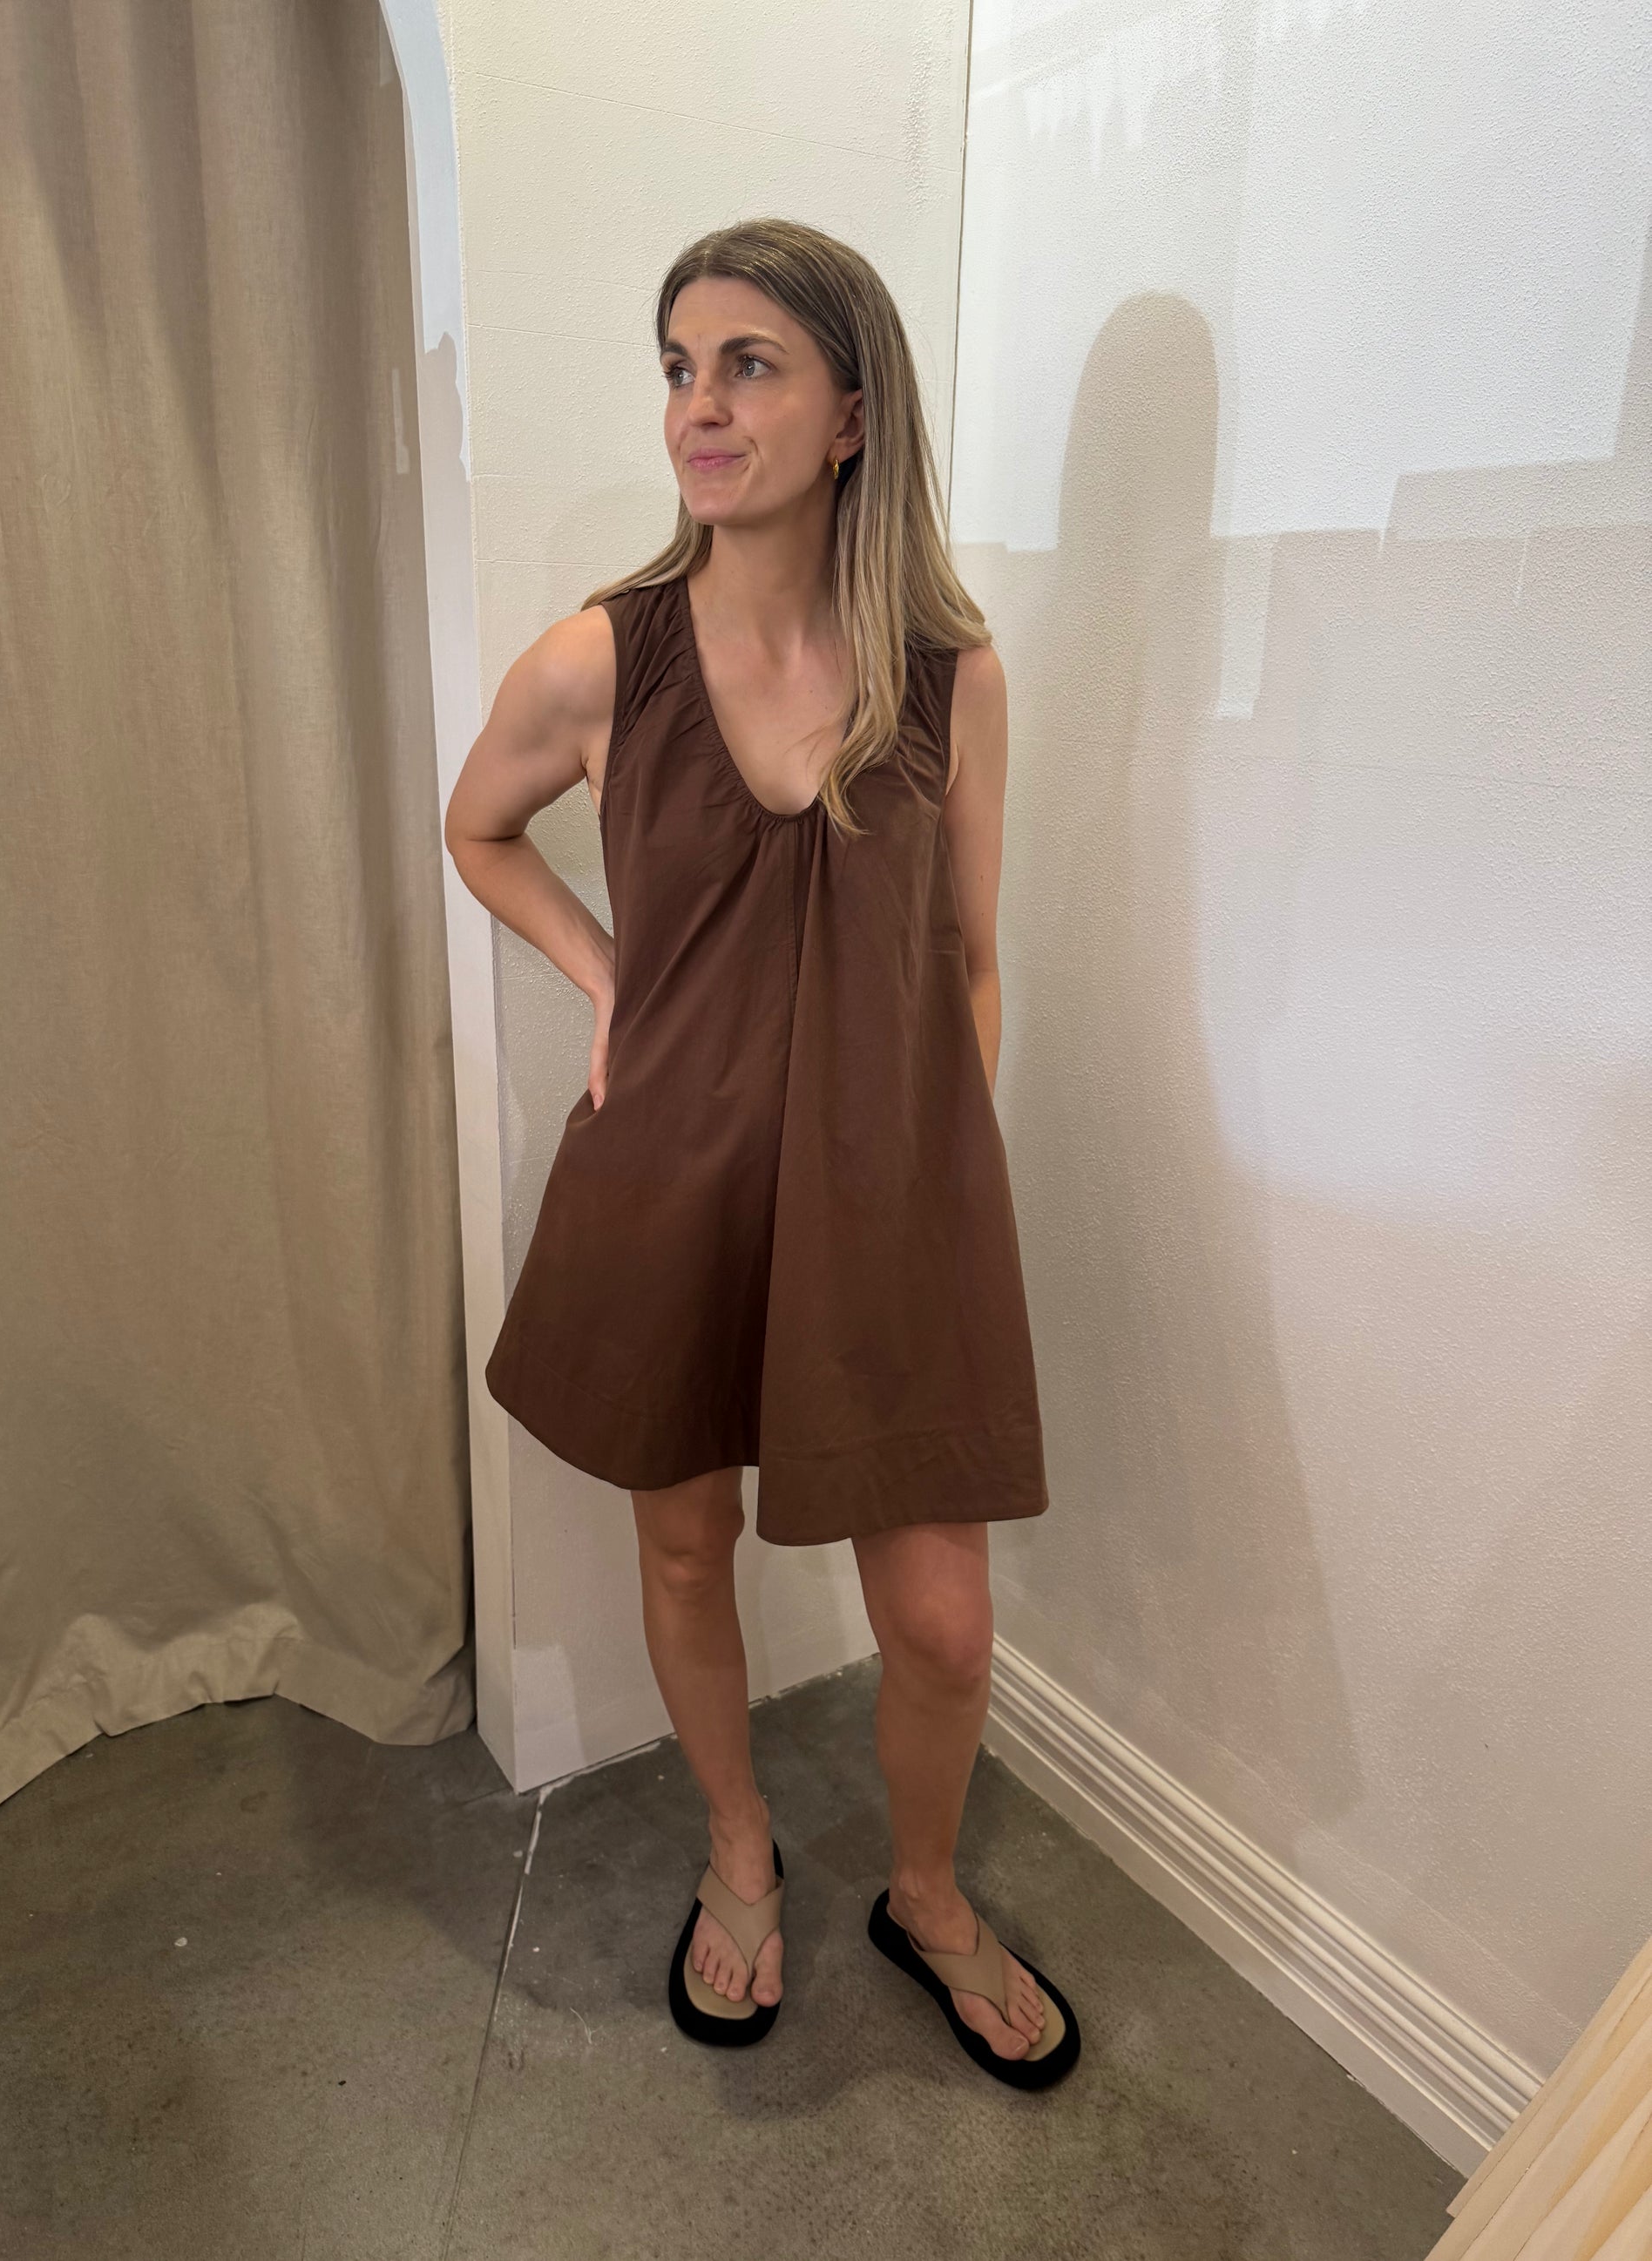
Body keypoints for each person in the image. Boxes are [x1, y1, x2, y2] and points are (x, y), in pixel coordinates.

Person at [443, 218, 1078, 2089]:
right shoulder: (602, 657)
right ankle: (740, 1847)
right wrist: (609, 978)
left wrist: (936, 1184)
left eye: (747, 365)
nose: (697, 408)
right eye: (676, 368)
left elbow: (969, 960)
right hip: (674, 1178)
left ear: (852, 412)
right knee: (683, 1536)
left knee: (941, 1624)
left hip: (891, 1202)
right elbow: (475, 827)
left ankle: (924, 1895)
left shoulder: (948, 675)